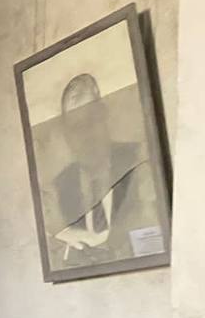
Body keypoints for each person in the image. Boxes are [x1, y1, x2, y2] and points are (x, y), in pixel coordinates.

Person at [49, 72, 162, 267]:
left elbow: (153, 230)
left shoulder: (138, 160)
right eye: (76, 128)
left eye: (92, 121)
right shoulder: (59, 186)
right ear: (67, 135)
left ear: (104, 117)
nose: (86, 135)